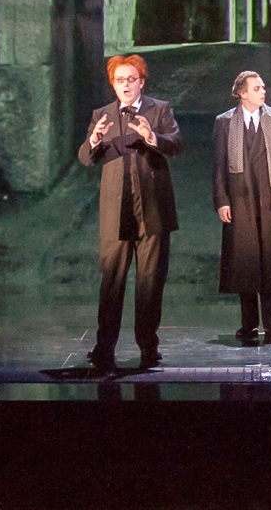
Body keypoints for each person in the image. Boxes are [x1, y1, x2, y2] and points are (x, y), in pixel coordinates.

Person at [77, 53, 182, 370]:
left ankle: (148, 347)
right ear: (113, 84)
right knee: (112, 281)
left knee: (150, 282)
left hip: (152, 209)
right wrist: (94, 140)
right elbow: (85, 158)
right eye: (119, 80)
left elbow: (176, 143)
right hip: (116, 211)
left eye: (131, 79)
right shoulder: (102, 114)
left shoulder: (159, 109)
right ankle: (104, 346)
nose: (125, 85)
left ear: (141, 82)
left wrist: (154, 137)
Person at [212, 70, 271, 345]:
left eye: (263, 87)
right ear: (242, 93)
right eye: (257, 88)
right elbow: (218, 166)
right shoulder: (225, 122)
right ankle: (248, 325)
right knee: (245, 263)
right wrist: (222, 200)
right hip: (240, 200)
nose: (263, 92)